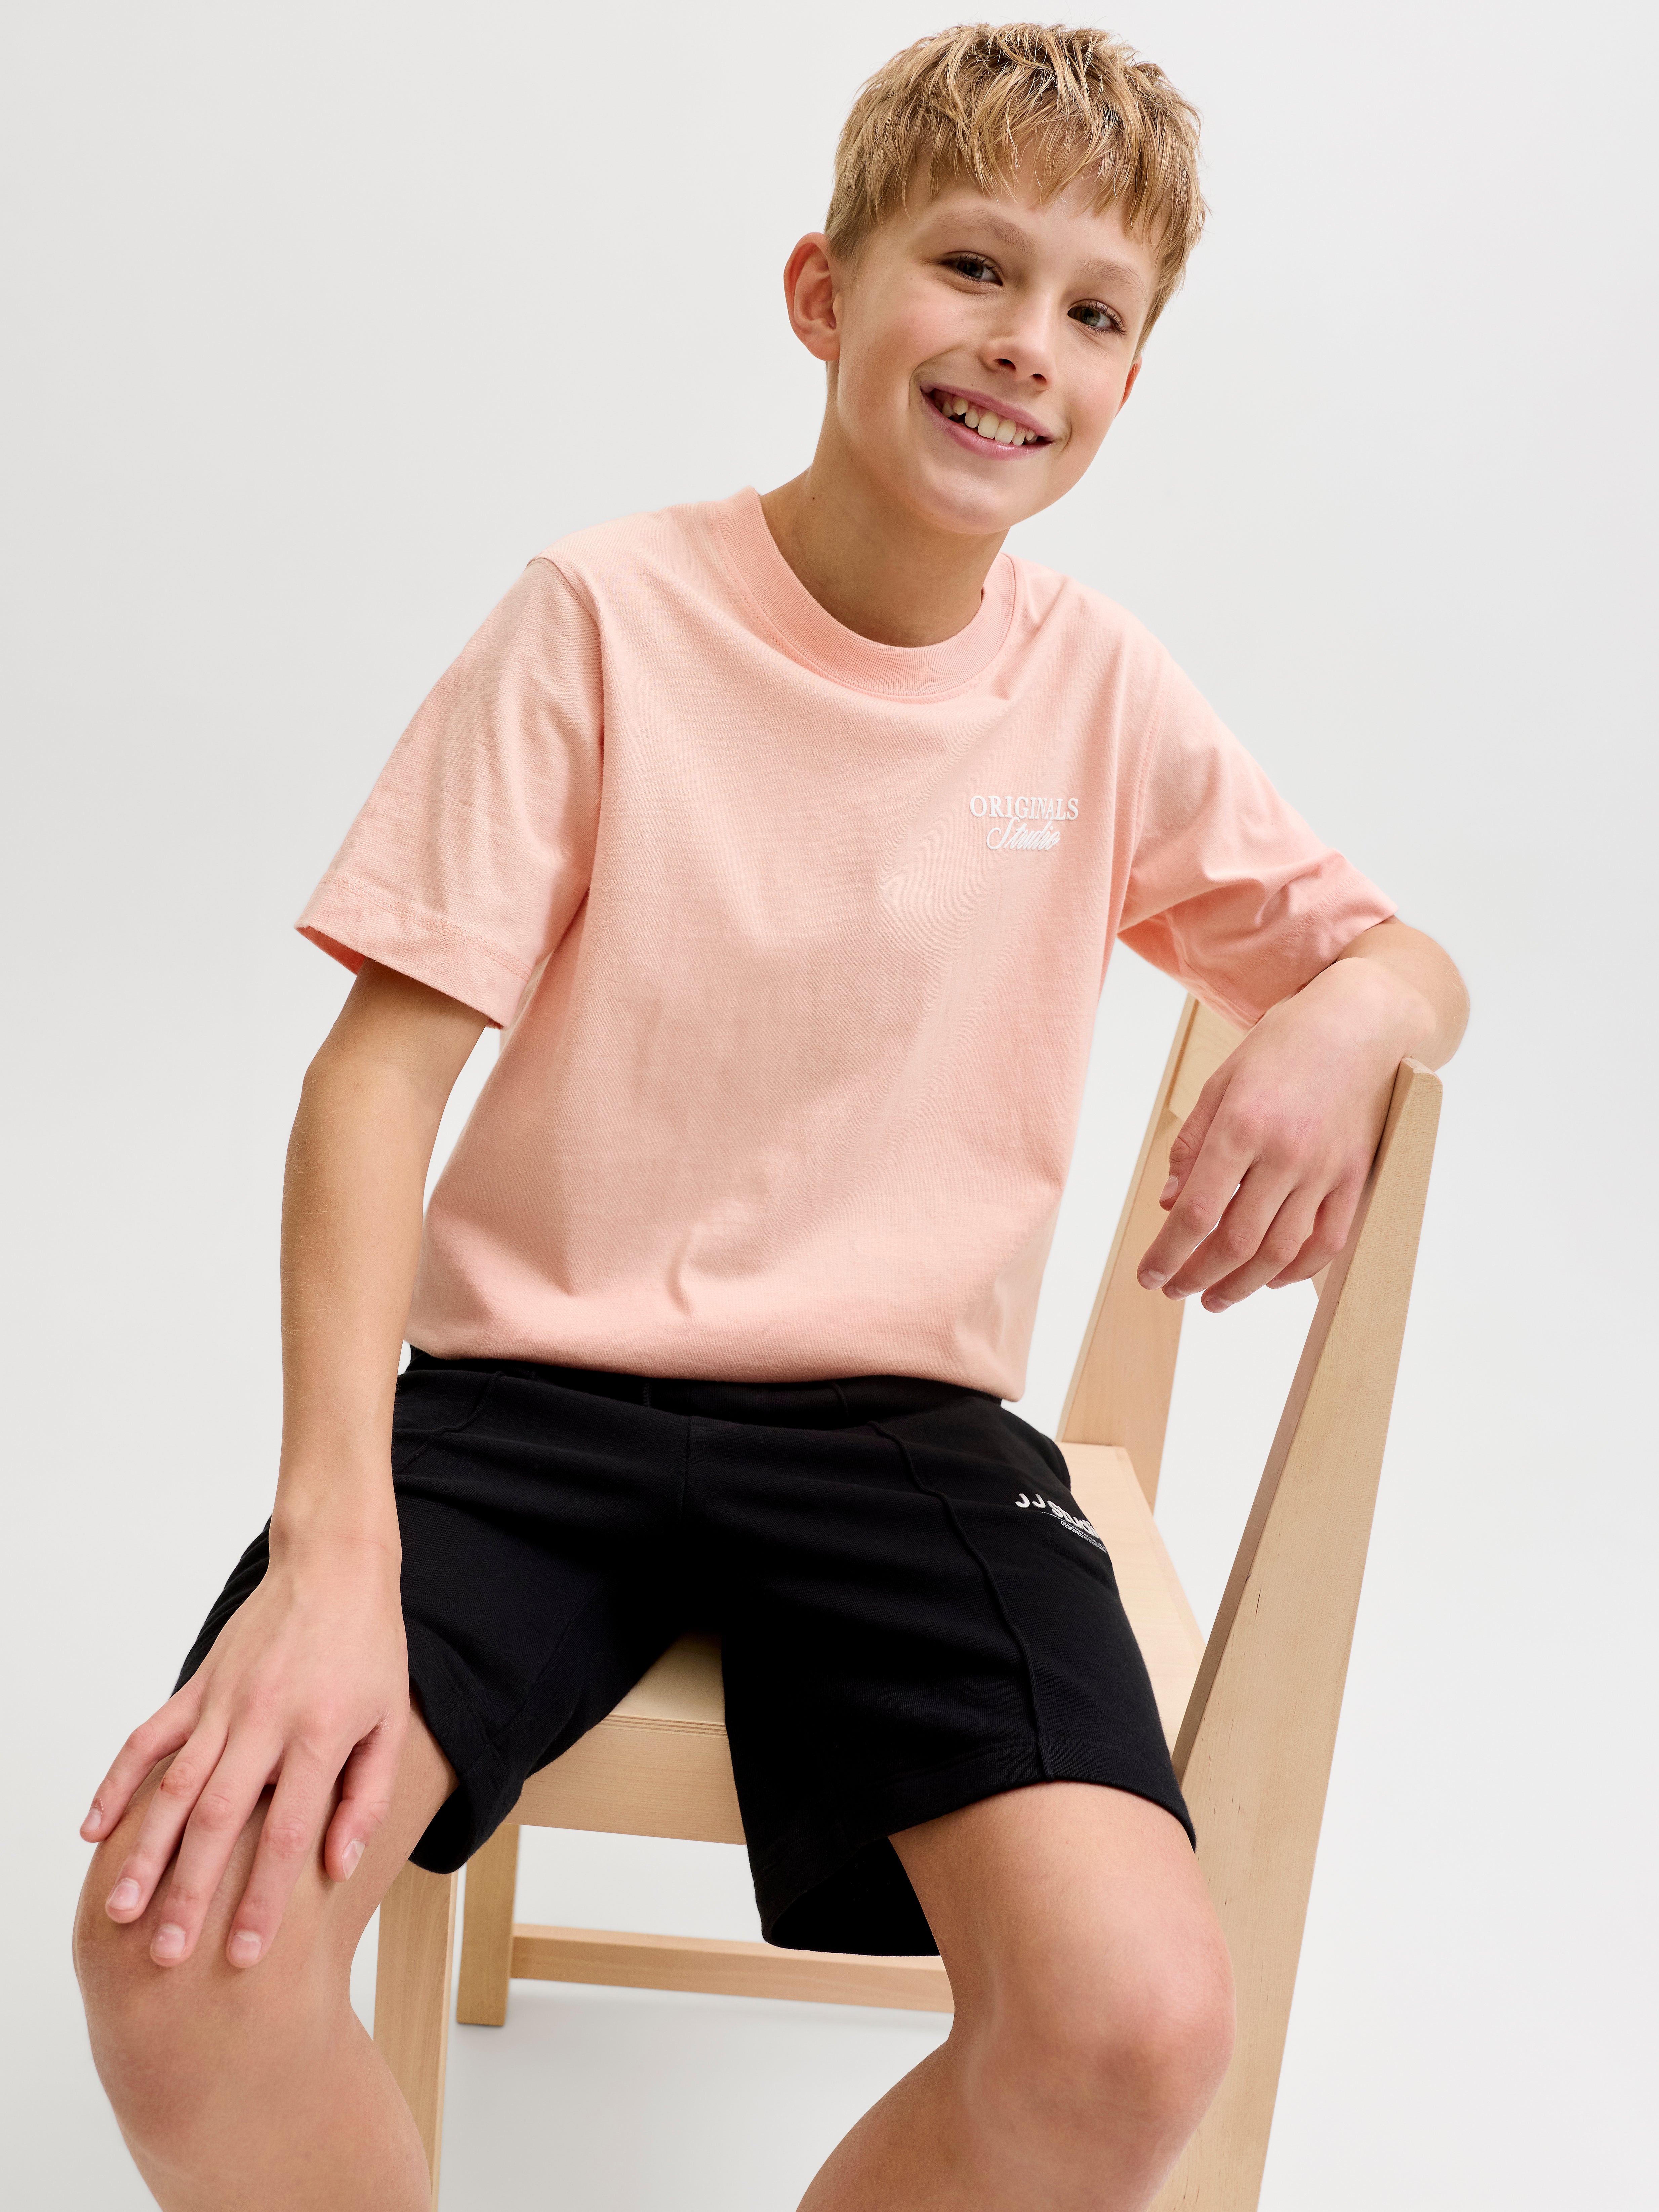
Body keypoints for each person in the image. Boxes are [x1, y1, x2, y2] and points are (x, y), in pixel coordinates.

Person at [72, 23, 1468, 2211]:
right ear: (823, 293)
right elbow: (374, 1081)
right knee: (180, 1960)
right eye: (972, 268)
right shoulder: (598, 620)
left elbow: (1407, 960)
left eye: (1094, 313)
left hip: (900, 1437)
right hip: (525, 1406)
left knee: (1132, 2025)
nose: (1024, 347)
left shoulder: (1099, 690)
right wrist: (333, 1550)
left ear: (1130, 380)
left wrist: (1346, 1005)